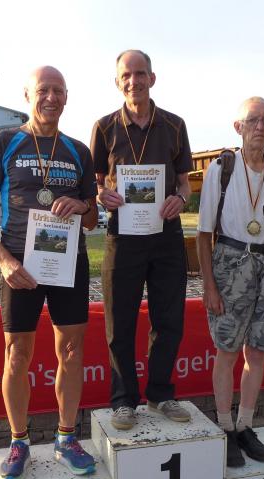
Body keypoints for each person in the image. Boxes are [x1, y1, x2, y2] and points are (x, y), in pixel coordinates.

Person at [0, 66, 98, 479]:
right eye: (43, 90)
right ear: (28, 95)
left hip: (68, 262)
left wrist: (83, 206)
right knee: (16, 355)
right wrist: (4, 262)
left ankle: (66, 437)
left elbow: (92, 218)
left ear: (67, 97)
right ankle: (19, 441)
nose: (51, 97)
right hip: (20, 267)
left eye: (58, 90)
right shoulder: (5, 143)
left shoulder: (79, 151)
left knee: (72, 352)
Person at [92, 49, 193, 430]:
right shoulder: (104, 127)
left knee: (168, 319)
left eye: (140, 73)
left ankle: (161, 394)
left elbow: (184, 183)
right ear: (117, 82)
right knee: (119, 322)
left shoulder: (175, 125)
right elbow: (95, 183)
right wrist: (102, 196)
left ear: (152, 78)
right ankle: (124, 402)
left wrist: (180, 199)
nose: (133, 81)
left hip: (166, 233)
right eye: (126, 75)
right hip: (123, 236)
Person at [197, 97, 264, 467]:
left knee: (257, 351)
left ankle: (245, 426)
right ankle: (225, 428)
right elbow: (203, 234)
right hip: (230, 263)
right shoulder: (221, 169)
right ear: (238, 127)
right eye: (253, 120)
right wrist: (209, 285)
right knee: (227, 350)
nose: (260, 127)